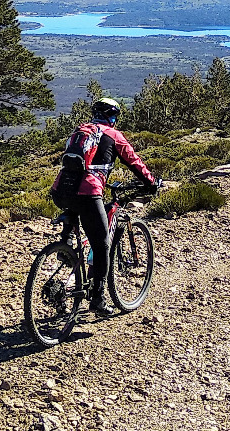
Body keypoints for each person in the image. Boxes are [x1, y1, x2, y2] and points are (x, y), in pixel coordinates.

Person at [51, 97, 158, 318]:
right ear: (114, 117)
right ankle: (98, 299)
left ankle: (67, 246)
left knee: (80, 220)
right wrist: (152, 182)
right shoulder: (113, 135)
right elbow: (134, 162)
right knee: (102, 246)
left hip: (61, 191)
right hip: (88, 193)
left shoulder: (80, 131)